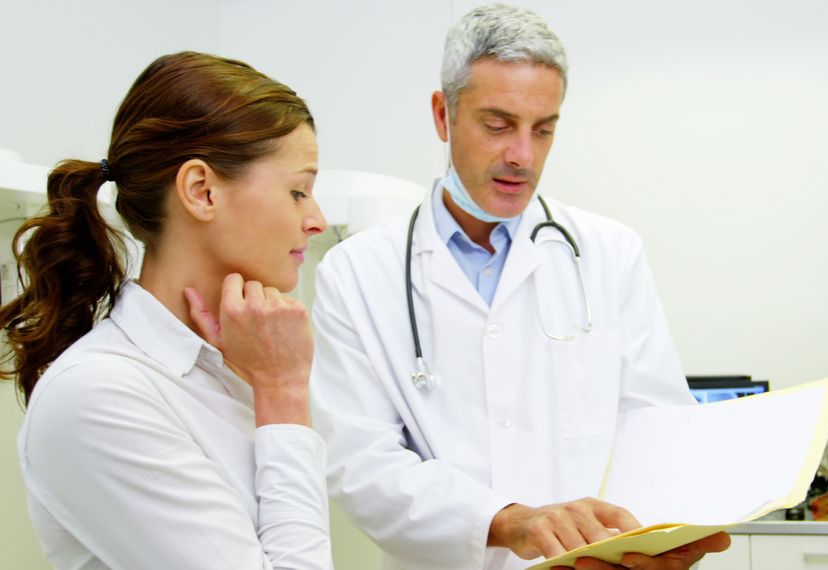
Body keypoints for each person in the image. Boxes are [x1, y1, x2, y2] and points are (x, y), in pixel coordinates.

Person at [311, 4, 729, 569]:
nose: (522, 157)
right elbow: (361, 467)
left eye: (544, 129)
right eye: (498, 124)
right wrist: (508, 521)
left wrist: (662, 536)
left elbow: (656, 427)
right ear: (443, 114)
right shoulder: (358, 272)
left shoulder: (610, 253)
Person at [0, 51, 332, 569]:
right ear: (201, 191)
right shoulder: (98, 394)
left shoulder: (239, 365)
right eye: (297, 191)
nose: (316, 220)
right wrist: (283, 395)